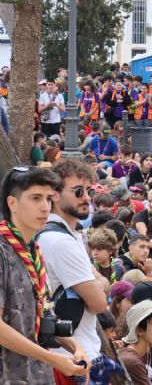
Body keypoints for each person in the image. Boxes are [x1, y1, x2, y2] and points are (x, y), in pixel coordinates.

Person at [0, 166, 90, 382]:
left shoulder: (33, 250)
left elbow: (43, 313)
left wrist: (74, 346)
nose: (44, 207)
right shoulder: (3, 250)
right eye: (35, 198)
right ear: (12, 203)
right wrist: (52, 358)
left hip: (37, 375)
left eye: (48, 199)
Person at [37, 159, 109, 382]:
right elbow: (99, 303)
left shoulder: (64, 235)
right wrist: (99, 283)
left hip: (74, 355)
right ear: (54, 194)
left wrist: (96, 283)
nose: (87, 198)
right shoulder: (61, 242)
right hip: (74, 360)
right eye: (78, 191)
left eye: (89, 190)